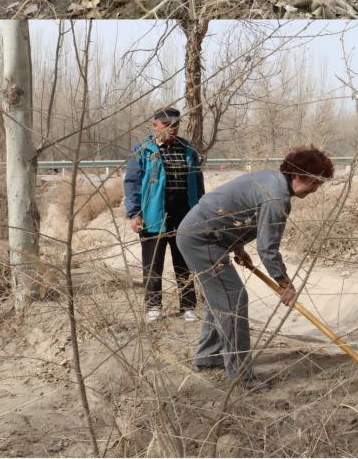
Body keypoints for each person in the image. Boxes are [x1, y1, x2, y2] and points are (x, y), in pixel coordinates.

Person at [177, 145, 334, 389]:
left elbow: (237, 213)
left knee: (220, 299)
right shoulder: (276, 198)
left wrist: (237, 246)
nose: (315, 189)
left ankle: (208, 356)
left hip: (206, 234)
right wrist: (284, 284)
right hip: (202, 238)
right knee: (234, 300)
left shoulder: (270, 179)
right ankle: (241, 376)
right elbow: (267, 249)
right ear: (298, 175)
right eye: (314, 183)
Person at [124, 107, 205, 322]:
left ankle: (188, 306)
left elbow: (198, 182)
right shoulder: (143, 150)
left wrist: (201, 212)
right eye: (167, 125)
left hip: (184, 214)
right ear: (155, 125)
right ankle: (153, 305)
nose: (172, 129)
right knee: (152, 261)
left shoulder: (188, 149)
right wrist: (134, 214)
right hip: (153, 213)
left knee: (184, 260)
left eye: (176, 125)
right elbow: (132, 184)